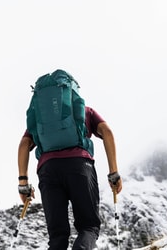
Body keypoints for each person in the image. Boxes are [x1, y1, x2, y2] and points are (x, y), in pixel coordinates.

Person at [17, 72, 122, 250]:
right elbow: (107, 132)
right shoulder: (84, 112)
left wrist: (23, 183)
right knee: (88, 227)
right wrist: (114, 173)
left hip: (48, 169)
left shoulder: (41, 121)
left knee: (57, 236)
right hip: (79, 166)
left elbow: (24, 144)